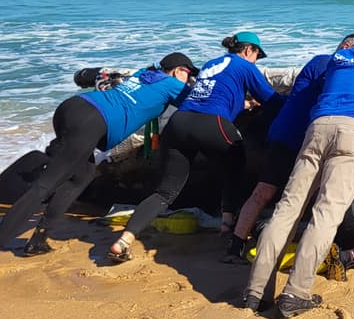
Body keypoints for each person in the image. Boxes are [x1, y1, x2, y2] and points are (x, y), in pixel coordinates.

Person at [240, 17, 354, 319]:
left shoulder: (339, 58)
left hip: (317, 128)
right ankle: (296, 293)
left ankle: (255, 292)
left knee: (288, 209)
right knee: (326, 213)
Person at [0, 52, 199, 272]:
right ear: (178, 70)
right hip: (91, 120)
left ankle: (38, 241)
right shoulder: (171, 85)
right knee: (46, 185)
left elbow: (99, 78)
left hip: (75, 107)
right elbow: (201, 102)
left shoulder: (143, 75)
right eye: (188, 74)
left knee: (81, 175)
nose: (188, 80)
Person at [106, 32, 279, 263]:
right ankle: (229, 230)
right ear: (249, 51)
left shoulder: (211, 63)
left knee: (165, 192)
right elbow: (271, 100)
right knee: (236, 167)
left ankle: (123, 240)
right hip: (212, 123)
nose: (256, 61)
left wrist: (243, 103)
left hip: (179, 123)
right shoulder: (245, 66)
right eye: (257, 55)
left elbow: (213, 94)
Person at [224, 33, 354, 262]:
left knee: (266, 192)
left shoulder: (319, 62)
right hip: (296, 136)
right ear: (346, 46)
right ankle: (249, 245)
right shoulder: (328, 62)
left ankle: (236, 244)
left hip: (287, 132)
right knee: (288, 195)